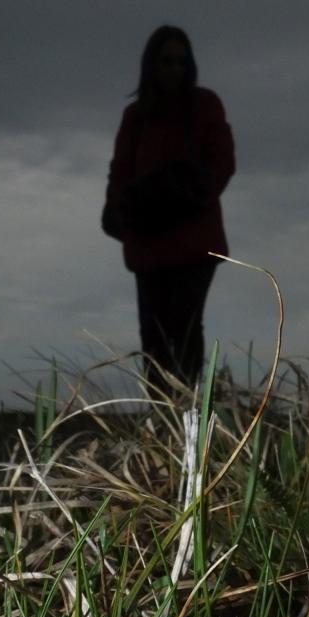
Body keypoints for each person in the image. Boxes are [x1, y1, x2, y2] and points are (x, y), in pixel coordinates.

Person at [103, 26, 235, 392]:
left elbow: (222, 162)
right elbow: (119, 171)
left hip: (195, 243)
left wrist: (193, 195)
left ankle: (187, 416)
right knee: (154, 337)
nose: (175, 69)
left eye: (181, 61)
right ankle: (161, 420)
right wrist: (122, 211)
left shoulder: (205, 105)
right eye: (166, 61)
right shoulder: (136, 116)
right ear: (152, 65)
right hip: (149, 244)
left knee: (187, 327)